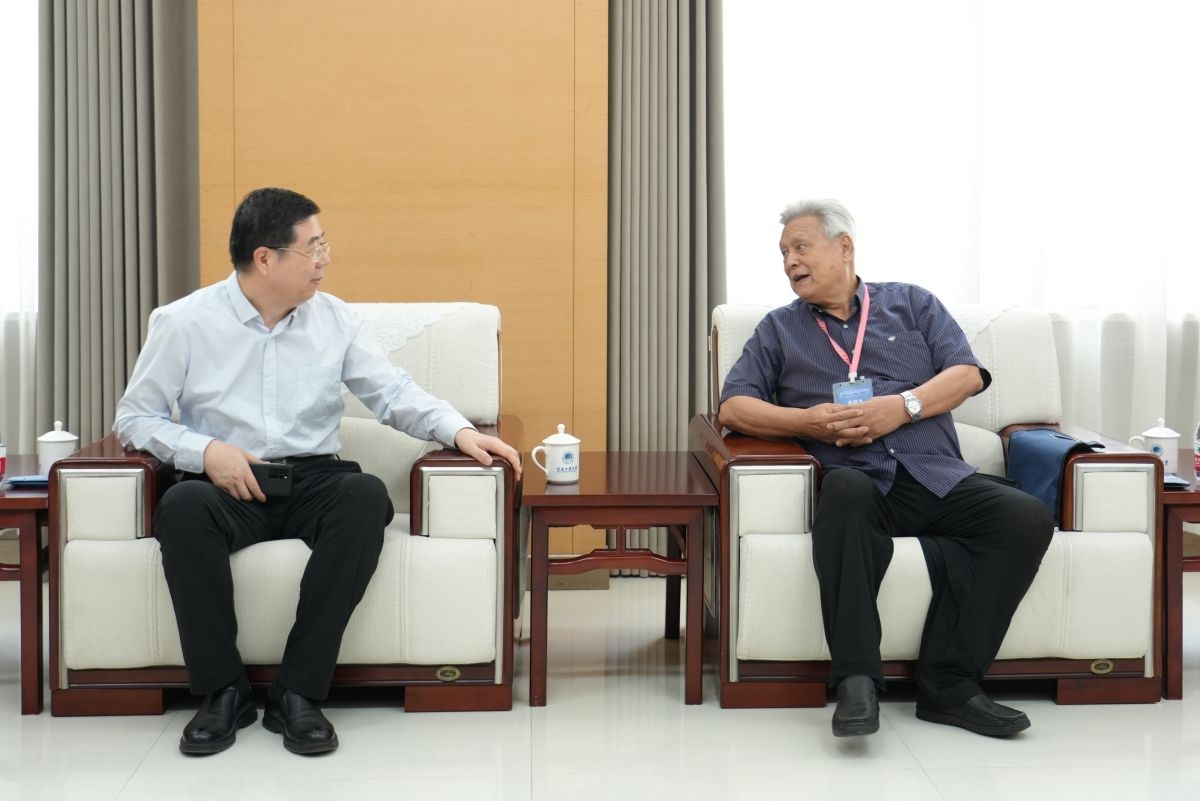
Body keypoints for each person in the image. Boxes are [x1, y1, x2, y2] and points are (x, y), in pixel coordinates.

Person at [114, 187, 521, 756]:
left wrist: (459, 431)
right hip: (226, 482)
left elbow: (392, 393)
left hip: (313, 479)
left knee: (365, 497)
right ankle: (223, 691)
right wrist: (205, 452)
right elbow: (135, 418)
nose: (325, 259)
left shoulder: (335, 320)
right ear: (265, 258)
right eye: (314, 247)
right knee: (181, 507)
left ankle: (298, 692)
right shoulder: (183, 322)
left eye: (324, 244)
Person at [718, 199, 1052, 738]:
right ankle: (856, 681)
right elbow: (733, 407)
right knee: (846, 491)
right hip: (855, 484)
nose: (789, 262)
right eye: (783, 253)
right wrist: (808, 421)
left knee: (1025, 517)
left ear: (844, 247)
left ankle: (950, 686)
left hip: (933, 474)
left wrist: (902, 407)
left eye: (800, 247)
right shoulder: (779, 329)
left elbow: (967, 374)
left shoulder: (911, 304)